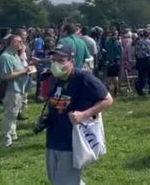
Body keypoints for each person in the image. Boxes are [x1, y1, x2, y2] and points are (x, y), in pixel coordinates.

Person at [45, 44, 113, 184]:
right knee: (55, 178)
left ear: (72, 61)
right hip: (53, 138)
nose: (56, 64)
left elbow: (108, 100)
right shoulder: (56, 78)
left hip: (71, 140)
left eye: (61, 60)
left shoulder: (83, 78)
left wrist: (84, 114)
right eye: (53, 60)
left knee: (64, 181)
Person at [0, 35, 33, 147]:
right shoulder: (6, 57)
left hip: (19, 88)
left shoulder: (15, 55)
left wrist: (28, 69)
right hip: (11, 90)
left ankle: (13, 134)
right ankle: (6, 140)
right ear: (11, 43)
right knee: (9, 114)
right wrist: (24, 72)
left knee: (14, 114)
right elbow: (5, 76)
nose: (22, 44)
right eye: (19, 42)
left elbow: (20, 68)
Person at [135, 30, 150, 96]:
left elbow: (136, 51)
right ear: (149, 35)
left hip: (140, 60)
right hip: (148, 59)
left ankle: (139, 87)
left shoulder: (138, 42)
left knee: (141, 75)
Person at [104, 30, 122, 96]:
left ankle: (107, 90)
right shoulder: (118, 42)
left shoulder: (107, 42)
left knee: (108, 76)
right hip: (116, 61)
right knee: (115, 76)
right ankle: (116, 89)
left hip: (109, 61)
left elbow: (106, 48)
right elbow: (120, 52)